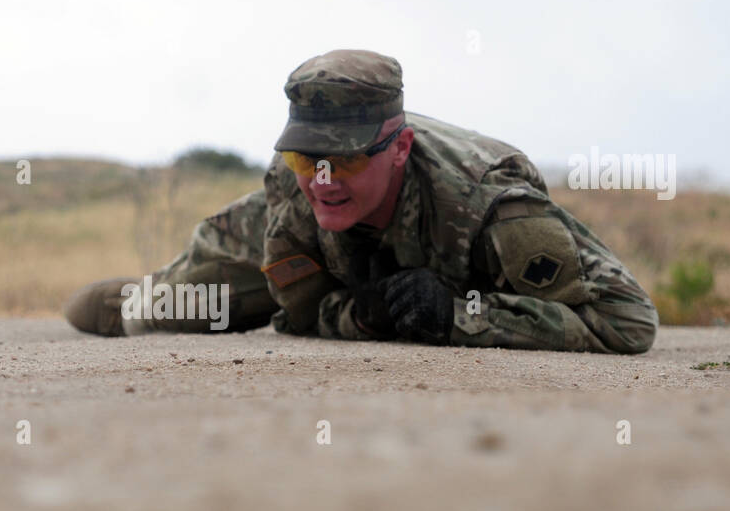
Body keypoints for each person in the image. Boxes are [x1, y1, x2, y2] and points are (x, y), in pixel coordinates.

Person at [64, 49, 658, 353]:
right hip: (314, 247)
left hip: (443, 247)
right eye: (305, 158)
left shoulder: (492, 208)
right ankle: (130, 297)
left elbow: (627, 322)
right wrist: (366, 315)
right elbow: (301, 313)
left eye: (345, 158)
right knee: (153, 311)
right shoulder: (295, 194)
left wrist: (460, 317)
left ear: (400, 147)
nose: (322, 178)